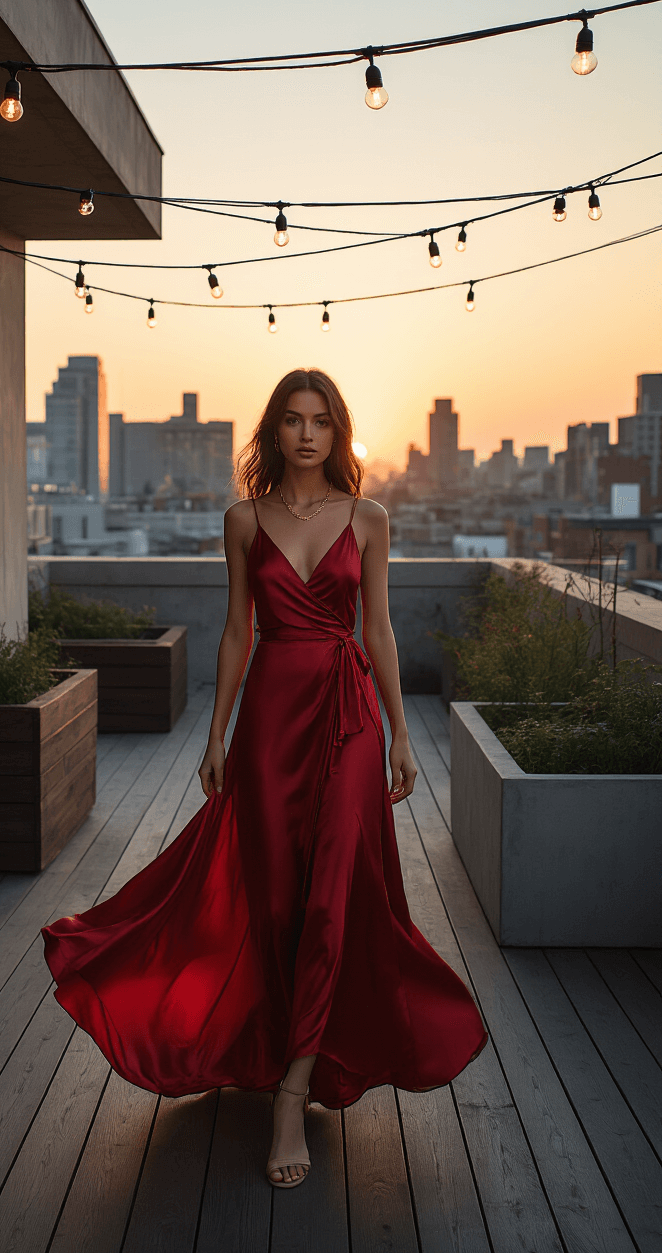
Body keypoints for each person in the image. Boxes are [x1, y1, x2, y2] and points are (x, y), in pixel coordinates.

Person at [42, 368, 487, 1191]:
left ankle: (291, 1096)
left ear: (339, 431)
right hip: (271, 720)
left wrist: (400, 733)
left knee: (331, 900)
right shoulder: (242, 520)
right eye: (293, 420)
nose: (308, 434)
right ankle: (287, 1047)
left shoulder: (371, 517)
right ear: (274, 432)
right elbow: (238, 632)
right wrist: (215, 733)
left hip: (349, 719)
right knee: (277, 898)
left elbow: (379, 629)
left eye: (322, 421)